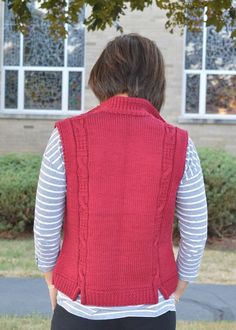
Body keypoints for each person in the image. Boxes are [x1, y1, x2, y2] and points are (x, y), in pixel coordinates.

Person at [33, 33, 208, 330]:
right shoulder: (179, 143)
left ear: (102, 75)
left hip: (78, 308)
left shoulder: (65, 136)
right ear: (156, 81)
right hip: (153, 310)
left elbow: (46, 223)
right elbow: (196, 230)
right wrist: (177, 290)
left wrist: (52, 280)